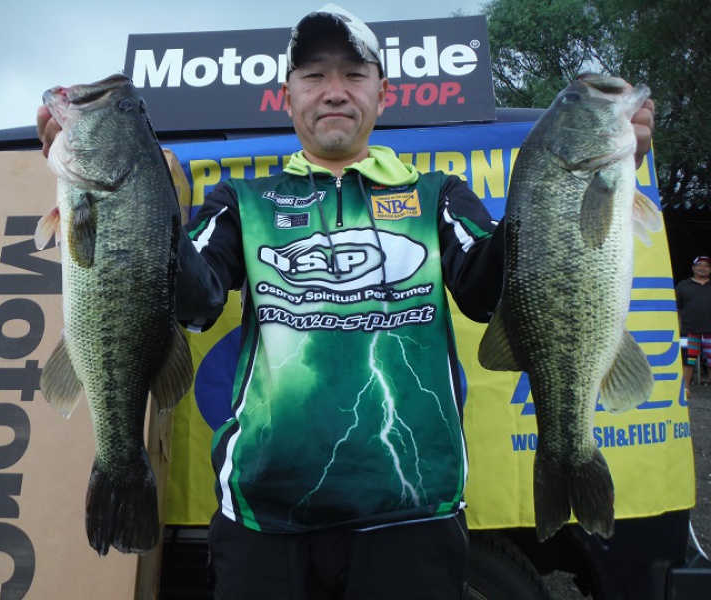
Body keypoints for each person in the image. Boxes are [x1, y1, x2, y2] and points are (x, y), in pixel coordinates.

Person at [37, 4, 655, 598]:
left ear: (382, 94)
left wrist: (572, 195)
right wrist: (132, 206)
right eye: (314, 76)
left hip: (413, 516)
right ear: (288, 96)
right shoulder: (240, 202)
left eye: (354, 74)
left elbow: (489, 291)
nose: (334, 90)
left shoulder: (437, 196)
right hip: (262, 520)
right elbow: (193, 301)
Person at [676, 255, 711, 398]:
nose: (703, 267)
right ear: (693, 268)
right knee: (687, 362)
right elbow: (676, 310)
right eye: (699, 265)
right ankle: (685, 390)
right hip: (688, 332)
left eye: (707, 266)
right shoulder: (682, 286)